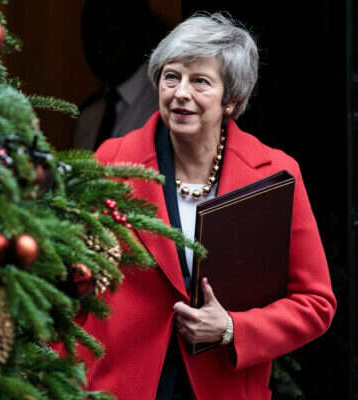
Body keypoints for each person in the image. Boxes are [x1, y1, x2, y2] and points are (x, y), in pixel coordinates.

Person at [77, 12, 337, 399]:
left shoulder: (276, 174)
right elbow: (69, 281)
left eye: (200, 81)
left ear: (231, 100)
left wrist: (233, 327)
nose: (181, 92)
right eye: (171, 77)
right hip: (120, 386)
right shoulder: (111, 162)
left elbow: (315, 304)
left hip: (223, 385)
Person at [73, 0, 167, 150]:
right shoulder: (89, 115)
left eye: (110, 36)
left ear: (139, 33)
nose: (99, 49)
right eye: (90, 39)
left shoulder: (163, 104)